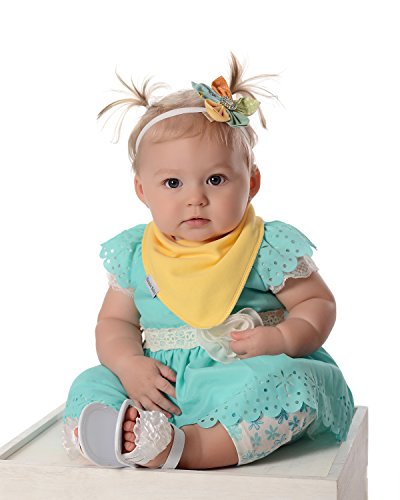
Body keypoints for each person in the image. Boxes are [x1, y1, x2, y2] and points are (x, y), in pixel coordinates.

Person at [62, 52, 354, 470]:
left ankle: (188, 449)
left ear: (251, 182)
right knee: (91, 381)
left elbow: (317, 303)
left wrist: (284, 338)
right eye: (172, 183)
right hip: (159, 384)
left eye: (215, 180)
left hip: (242, 375)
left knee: (291, 383)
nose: (195, 197)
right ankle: (121, 434)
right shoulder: (135, 253)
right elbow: (114, 323)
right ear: (142, 190)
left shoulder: (265, 246)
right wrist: (128, 364)